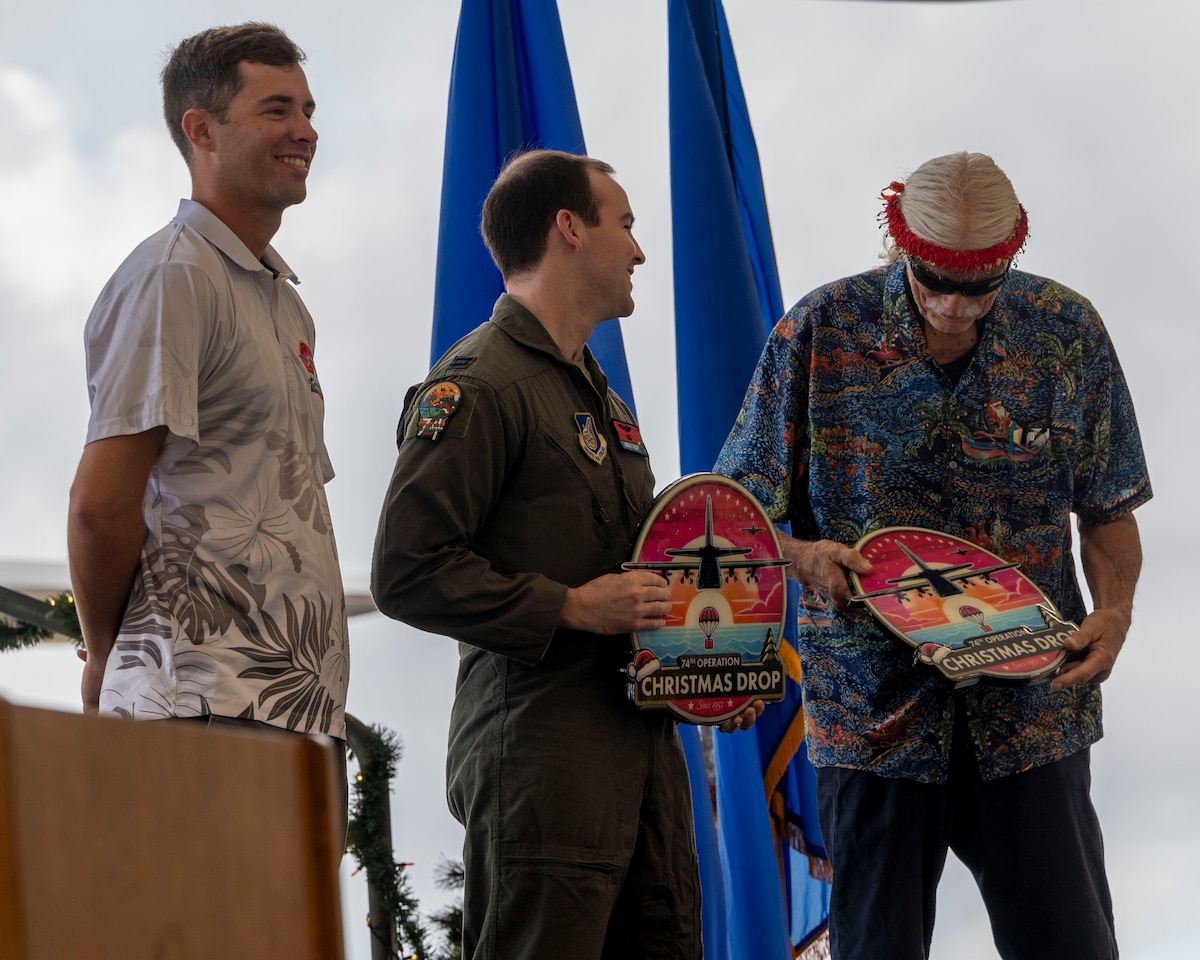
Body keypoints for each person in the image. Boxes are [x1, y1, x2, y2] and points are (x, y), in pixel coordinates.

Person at [715, 152, 1150, 960]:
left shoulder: (1067, 333)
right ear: (898, 240)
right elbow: (733, 516)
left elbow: (1110, 508)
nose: (954, 307)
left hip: (1031, 712)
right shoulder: (818, 330)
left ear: (1010, 258)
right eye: (934, 280)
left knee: (1073, 946)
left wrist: (1116, 612)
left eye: (980, 288)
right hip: (872, 715)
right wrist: (807, 558)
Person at [372, 149, 760, 960]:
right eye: (625, 224)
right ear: (568, 230)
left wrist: (715, 663)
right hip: (544, 767)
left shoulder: (598, 396)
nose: (641, 251)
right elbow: (407, 571)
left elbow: (641, 567)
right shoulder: (481, 383)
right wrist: (572, 606)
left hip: (642, 763)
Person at [67, 24, 348, 749]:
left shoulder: (287, 304)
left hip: (293, 713)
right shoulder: (173, 275)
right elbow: (100, 504)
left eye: (309, 110)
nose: (305, 131)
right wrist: (108, 658)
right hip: (198, 702)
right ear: (202, 131)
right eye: (277, 109)